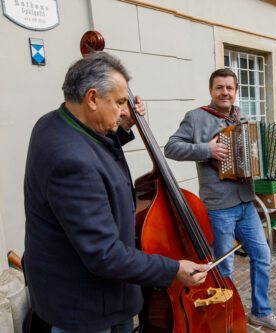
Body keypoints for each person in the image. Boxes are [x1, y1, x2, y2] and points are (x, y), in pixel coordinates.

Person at [23, 51, 209, 333]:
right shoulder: (70, 161)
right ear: (93, 98)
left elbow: (96, 152)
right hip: (85, 307)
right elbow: (104, 254)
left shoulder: (54, 123)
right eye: (120, 102)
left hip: (105, 293)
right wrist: (173, 269)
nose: (126, 110)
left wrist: (121, 128)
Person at [164, 68, 276, 331]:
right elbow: (171, 147)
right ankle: (227, 318)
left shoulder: (242, 118)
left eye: (229, 88)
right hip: (219, 206)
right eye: (219, 87)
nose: (224, 92)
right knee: (224, 267)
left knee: (262, 255)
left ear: (235, 91)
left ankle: (260, 311)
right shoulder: (196, 118)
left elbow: (261, 153)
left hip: (246, 201)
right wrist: (205, 149)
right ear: (211, 90)